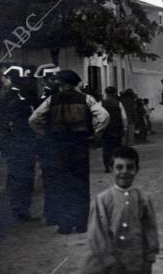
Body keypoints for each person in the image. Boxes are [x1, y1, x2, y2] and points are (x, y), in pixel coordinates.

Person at [77, 147, 159, 274]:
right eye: (119, 167)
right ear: (112, 169)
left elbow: (150, 226)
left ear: (137, 169)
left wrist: (151, 251)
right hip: (110, 259)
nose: (124, 172)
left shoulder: (143, 198)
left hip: (137, 257)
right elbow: (97, 231)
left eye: (130, 167)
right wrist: (105, 256)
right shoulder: (103, 199)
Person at [29, 70, 109, 234]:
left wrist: (45, 133)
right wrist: (96, 133)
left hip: (58, 147)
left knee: (62, 184)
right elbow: (104, 116)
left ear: (62, 83)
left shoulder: (52, 100)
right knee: (80, 184)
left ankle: (65, 225)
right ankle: (80, 224)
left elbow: (33, 119)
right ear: (74, 83)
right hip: (79, 146)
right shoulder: (86, 98)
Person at [0, 67, 38, 222]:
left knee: (15, 177)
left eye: (4, 78)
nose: (3, 81)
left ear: (10, 79)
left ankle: (17, 209)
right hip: (24, 143)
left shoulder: (5, 98)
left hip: (13, 144)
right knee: (25, 177)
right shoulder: (23, 98)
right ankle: (22, 210)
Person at [33, 63, 62, 225]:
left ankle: (52, 214)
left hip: (50, 143)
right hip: (62, 143)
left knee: (51, 180)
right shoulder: (62, 95)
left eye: (43, 79)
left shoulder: (47, 97)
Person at [101, 87, 128, 172]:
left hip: (105, 129)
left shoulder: (101, 103)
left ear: (106, 93)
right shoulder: (118, 103)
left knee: (106, 148)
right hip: (117, 129)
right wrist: (125, 127)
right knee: (117, 148)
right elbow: (124, 117)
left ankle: (106, 166)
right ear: (114, 93)